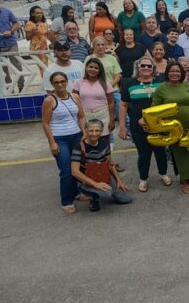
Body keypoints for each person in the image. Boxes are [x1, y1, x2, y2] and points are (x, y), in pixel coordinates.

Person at [144, 62, 189, 194]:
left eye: (178, 71)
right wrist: (145, 120)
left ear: (182, 73)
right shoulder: (161, 88)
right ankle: (184, 180)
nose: (175, 73)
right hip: (173, 128)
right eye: (172, 71)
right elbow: (154, 107)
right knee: (180, 154)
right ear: (167, 73)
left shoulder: (187, 86)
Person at [119, 58, 171, 192]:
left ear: (153, 68)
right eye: (143, 65)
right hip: (138, 126)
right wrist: (122, 126)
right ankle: (143, 179)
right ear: (138, 67)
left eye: (149, 66)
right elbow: (124, 105)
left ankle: (163, 174)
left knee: (160, 151)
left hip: (159, 124)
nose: (146, 68)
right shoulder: (129, 83)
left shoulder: (161, 82)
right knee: (143, 153)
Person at [41, 71, 87, 213]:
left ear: (66, 82)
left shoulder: (75, 97)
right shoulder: (49, 100)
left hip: (76, 136)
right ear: (52, 84)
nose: (60, 84)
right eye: (56, 82)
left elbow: (81, 116)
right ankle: (67, 201)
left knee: (78, 167)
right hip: (60, 138)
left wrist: (84, 132)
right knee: (66, 170)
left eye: (62, 81)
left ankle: (77, 192)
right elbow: (45, 123)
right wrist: (52, 143)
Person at [72, 119, 132, 212]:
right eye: (91, 131)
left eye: (97, 130)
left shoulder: (104, 143)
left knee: (126, 199)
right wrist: (95, 184)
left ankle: (104, 192)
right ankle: (94, 198)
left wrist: (119, 181)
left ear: (101, 131)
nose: (94, 134)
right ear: (86, 131)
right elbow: (74, 172)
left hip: (103, 174)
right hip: (87, 180)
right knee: (107, 194)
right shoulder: (79, 147)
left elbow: (110, 164)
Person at [72, 58, 114, 146]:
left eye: (96, 68)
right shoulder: (78, 83)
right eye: (90, 67)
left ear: (100, 70)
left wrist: (112, 120)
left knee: (104, 143)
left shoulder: (106, 84)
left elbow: (111, 103)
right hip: (85, 115)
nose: (93, 69)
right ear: (86, 68)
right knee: (88, 142)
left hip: (103, 115)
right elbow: (75, 101)